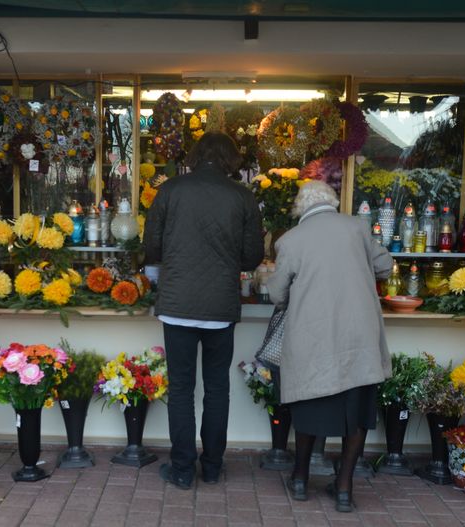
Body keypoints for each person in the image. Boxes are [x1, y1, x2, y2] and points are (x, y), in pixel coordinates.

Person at [144, 132, 265, 489]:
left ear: (195, 156)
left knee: (181, 389)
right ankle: (212, 466)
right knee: (217, 389)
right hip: (220, 306)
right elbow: (253, 256)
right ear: (231, 160)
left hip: (177, 303)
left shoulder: (170, 190)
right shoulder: (242, 195)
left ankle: (183, 469)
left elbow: (152, 246)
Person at [266, 180, 392, 513]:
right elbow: (385, 266)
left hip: (314, 339)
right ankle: (344, 489)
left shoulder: (290, 240)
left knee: (309, 407)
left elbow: (277, 295)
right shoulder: (357, 228)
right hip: (358, 338)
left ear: (300, 208)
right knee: (357, 413)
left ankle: (299, 478)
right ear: (333, 202)